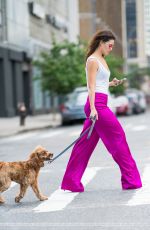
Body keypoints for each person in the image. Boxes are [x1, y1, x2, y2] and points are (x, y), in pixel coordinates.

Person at [61, 30, 142, 192]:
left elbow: (99, 84)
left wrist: (112, 83)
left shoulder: (101, 59)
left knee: (84, 146)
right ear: (101, 43)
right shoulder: (92, 60)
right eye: (110, 45)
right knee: (118, 138)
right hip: (97, 106)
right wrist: (92, 108)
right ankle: (131, 180)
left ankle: (71, 181)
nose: (111, 49)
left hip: (99, 103)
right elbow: (91, 86)